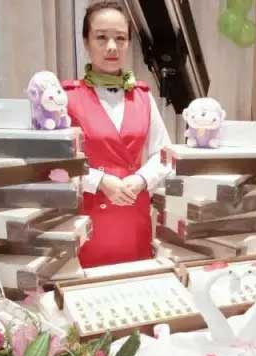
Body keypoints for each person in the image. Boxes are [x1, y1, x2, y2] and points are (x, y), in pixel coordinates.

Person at [62, 0, 171, 268]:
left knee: (135, 283)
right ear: (86, 43)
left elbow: (164, 154)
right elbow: (56, 164)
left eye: (120, 38)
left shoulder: (143, 96)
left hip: (133, 213)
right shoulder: (66, 98)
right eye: (101, 37)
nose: (112, 46)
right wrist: (99, 181)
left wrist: (141, 179)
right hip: (88, 216)